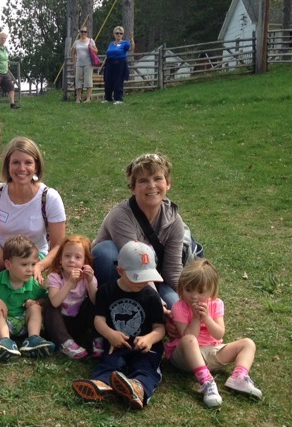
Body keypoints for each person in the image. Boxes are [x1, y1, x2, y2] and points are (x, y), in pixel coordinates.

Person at [72, 241, 166, 410]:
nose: (143, 282)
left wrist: (149, 338)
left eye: (147, 277)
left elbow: (160, 328)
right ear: (120, 271)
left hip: (145, 348)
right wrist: (110, 334)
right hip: (116, 345)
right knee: (109, 363)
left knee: (146, 368)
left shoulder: (152, 296)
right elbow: (98, 320)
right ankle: (101, 385)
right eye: (137, 277)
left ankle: (138, 388)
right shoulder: (107, 291)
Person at [0, 136, 66, 283]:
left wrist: (40, 265)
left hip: (31, 258)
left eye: (28, 162)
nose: (22, 168)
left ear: (36, 167)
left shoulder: (49, 197)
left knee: (22, 273)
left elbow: (59, 245)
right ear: (8, 166)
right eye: (16, 162)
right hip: (1, 253)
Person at [165, 259, 262, 407]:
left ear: (212, 291)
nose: (193, 296)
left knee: (248, 343)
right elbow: (187, 336)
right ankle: (206, 382)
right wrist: (196, 319)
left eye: (200, 291)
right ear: (181, 288)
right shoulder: (180, 307)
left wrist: (207, 318)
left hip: (211, 351)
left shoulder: (216, 304)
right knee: (189, 339)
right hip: (186, 356)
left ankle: (239, 377)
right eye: (188, 289)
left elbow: (219, 334)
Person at [92, 153, 184, 310]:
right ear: (133, 188)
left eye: (157, 179)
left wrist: (191, 298)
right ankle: (107, 308)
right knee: (106, 251)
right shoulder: (121, 216)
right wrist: (156, 304)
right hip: (121, 276)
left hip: (154, 278)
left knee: (178, 310)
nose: (151, 185)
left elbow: (172, 272)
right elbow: (135, 264)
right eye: (143, 181)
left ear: (168, 183)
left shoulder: (174, 220)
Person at [0, 235, 55, 361]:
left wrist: (36, 302)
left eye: (33, 264)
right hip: (2, 322)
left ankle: (33, 339)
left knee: (35, 308)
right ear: (8, 265)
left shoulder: (34, 283)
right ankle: (5, 342)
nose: (30, 269)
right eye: (24, 264)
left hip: (24, 323)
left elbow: (46, 299)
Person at [44, 235, 101, 360]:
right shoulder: (55, 277)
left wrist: (91, 281)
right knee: (49, 303)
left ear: (84, 262)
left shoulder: (87, 278)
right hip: (60, 323)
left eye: (78, 257)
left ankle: (96, 340)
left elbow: (96, 302)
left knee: (92, 301)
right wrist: (69, 283)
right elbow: (55, 302)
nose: (72, 260)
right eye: (67, 256)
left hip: (79, 322)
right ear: (60, 259)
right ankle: (65, 343)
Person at [101, 26, 134, 104]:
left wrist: (132, 39)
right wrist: (102, 65)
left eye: (121, 33)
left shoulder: (125, 43)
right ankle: (108, 98)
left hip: (120, 63)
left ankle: (118, 98)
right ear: (114, 34)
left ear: (122, 34)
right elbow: (108, 55)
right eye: (117, 33)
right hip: (109, 63)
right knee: (108, 80)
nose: (119, 35)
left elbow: (131, 48)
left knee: (118, 81)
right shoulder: (111, 44)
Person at [0, 32, 20, 109]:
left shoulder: (5, 49)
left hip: (5, 72)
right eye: (1, 38)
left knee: (11, 87)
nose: (3, 39)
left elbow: (6, 60)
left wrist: (7, 67)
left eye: (4, 38)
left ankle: (12, 104)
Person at [71, 26, 98, 103]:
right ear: (79, 33)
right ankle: (78, 98)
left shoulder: (90, 41)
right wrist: (74, 62)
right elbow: (73, 52)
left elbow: (96, 51)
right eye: (82, 32)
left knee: (88, 80)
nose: (83, 33)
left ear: (87, 33)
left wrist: (91, 47)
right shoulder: (76, 42)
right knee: (78, 80)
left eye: (85, 32)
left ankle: (88, 98)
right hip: (79, 63)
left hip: (88, 63)